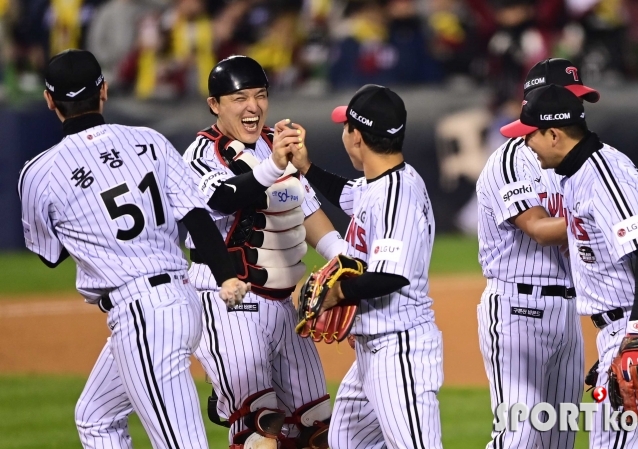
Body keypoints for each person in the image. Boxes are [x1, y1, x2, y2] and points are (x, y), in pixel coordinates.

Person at [18, 49, 250, 449]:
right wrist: (227, 274)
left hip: (142, 316)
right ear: (104, 91)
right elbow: (195, 216)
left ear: (49, 101)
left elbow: (49, 255)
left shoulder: (39, 172)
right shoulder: (150, 140)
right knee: (95, 417)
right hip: (181, 301)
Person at [501, 84, 638, 448]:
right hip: (623, 327)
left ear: (553, 134)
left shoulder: (601, 176)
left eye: (530, 135)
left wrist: (634, 335)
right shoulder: (579, 172)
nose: (526, 145)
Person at [182, 55, 345, 448]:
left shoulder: (276, 142)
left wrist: (342, 256)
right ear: (214, 105)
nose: (252, 107)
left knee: (316, 430)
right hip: (229, 303)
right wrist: (274, 165)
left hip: (287, 305)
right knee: (261, 427)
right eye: (239, 98)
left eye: (259, 95)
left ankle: (228, 396)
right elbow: (223, 198)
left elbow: (307, 212)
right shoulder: (201, 155)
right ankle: (229, 396)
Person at [287, 84, 444, 449]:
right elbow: (345, 193)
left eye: (346, 126)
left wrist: (334, 293)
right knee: (345, 442)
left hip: (399, 349)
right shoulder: (381, 183)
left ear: (356, 137)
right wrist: (306, 167)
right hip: (372, 352)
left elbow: (390, 275)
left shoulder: (396, 194)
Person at [475, 57, 598, 449]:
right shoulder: (511, 159)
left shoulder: (584, 160)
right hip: (516, 309)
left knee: (559, 437)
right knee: (520, 431)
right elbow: (540, 230)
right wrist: (604, 219)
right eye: (569, 98)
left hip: (568, 311)